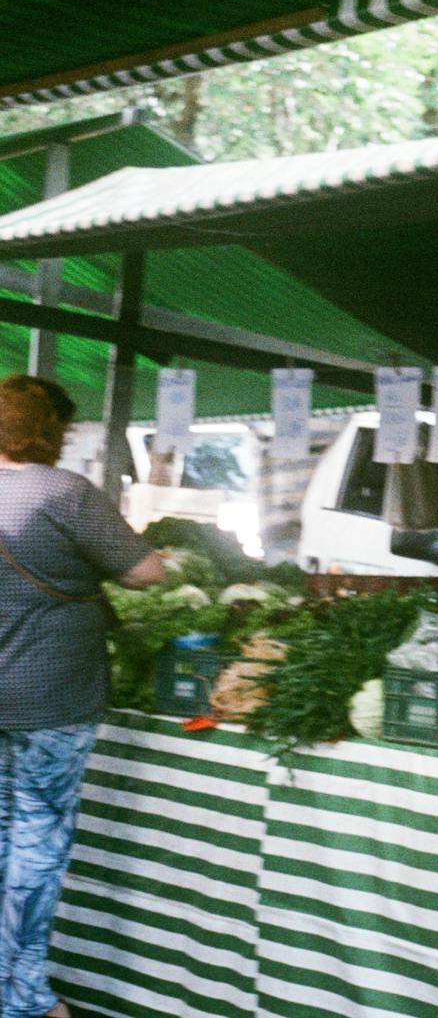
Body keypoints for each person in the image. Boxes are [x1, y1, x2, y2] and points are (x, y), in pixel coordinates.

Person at [0, 375, 165, 1018]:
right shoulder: (64, 492)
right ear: (49, 430)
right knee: (37, 843)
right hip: (52, 700)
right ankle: (24, 997)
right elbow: (144, 572)